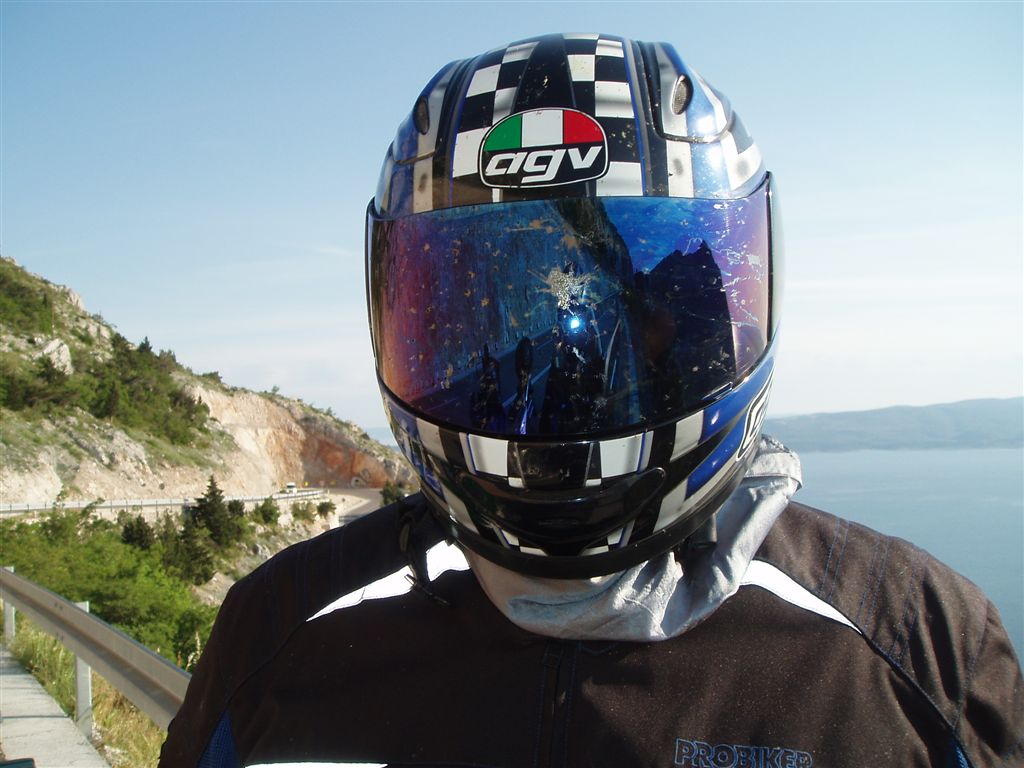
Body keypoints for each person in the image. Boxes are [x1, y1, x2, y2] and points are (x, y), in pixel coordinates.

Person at [159, 33, 1023, 767]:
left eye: (639, 326)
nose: (568, 392)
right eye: (465, 307)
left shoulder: (919, 646)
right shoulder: (277, 631)